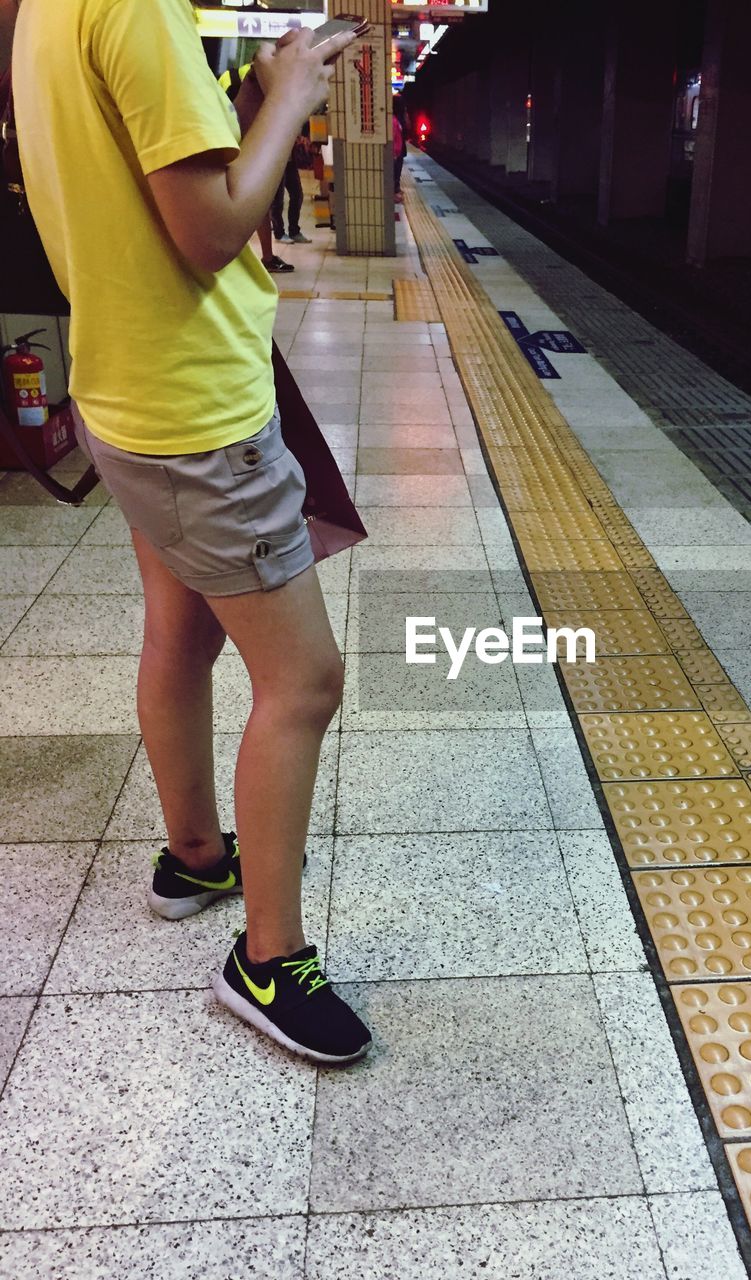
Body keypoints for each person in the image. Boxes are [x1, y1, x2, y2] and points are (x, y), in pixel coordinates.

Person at [12, 0, 372, 1065]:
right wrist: (298, 96)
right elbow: (211, 229)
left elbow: (141, 167)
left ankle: (195, 857)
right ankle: (267, 961)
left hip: (126, 390)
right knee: (303, 681)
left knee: (181, 632)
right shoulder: (137, 4)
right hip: (197, 414)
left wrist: (256, 95)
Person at [219, 63, 293, 272]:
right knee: (258, 205)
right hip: (242, 146)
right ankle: (264, 256)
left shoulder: (228, 78)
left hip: (230, 143)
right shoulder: (271, 76)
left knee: (259, 206)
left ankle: (264, 255)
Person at [272, 140, 309, 244]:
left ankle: (294, 231)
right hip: (276, 161)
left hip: (290, 161)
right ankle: (279, 233)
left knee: (297, 195)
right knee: (278, 199)